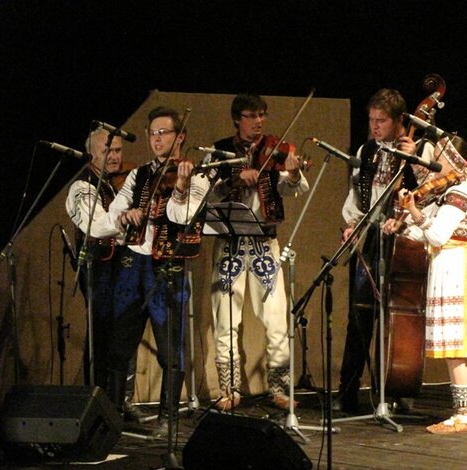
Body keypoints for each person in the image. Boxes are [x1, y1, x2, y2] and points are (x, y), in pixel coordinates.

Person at [93, 106, 205, 438]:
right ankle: (112, 415)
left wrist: (182, 187)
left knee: (171, 348)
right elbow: (113, 212)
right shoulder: (138, 174)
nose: (156, 140)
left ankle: (167, 419)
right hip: (133, 264)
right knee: (119, 343)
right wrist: (124, 216)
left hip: (166, 266)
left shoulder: (196, 175)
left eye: (163, 133)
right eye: (152, 134)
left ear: (179, 137)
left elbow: (180, 215)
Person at [383, 135, 467, 434]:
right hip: (447, 265)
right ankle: (461, 414)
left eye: (441, 155)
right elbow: (426, 234)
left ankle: (465, 416)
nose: (435, 161)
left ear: (456, 161)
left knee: (457, 345)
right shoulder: (449, 192)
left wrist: (416, 213)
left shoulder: (458, 192)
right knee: (451, 345)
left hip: (456, 266)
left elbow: (436, 235)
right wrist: (404, 224)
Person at [206, 93, 309, 410]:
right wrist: (237, 176)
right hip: (231, 243)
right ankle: (229, 389)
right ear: (237, 119)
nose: (259, 121)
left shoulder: (276, 150)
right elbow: (207, 190)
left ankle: (278, 387)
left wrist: (292, 173)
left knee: (277, 318)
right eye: (252, 116)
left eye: (262, 115)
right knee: (226, 318)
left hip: (264, 243)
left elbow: (296, 188)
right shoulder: (219, 150)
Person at [334, 88, 431, 413]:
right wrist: (353, 223)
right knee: (360, 315)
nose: (375, 127)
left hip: (405, 238)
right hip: (373, 237)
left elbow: (431, 192)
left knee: (398, 317)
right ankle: (347, 393)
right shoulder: (368, 149)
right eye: (371, 120)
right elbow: (358, 195)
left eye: (382, 121)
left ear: (400, 120)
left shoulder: (421, 149)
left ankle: (396, 391)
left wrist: (415, 160)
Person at [65, 127, 145, 423]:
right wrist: (125, 217)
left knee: (126, 332)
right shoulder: (82, 186)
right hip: (98, 269)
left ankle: (121, 400)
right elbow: (97, 225)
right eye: (107, 151)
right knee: (101, 335)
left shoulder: (120, 184)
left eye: (118, 151)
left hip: (123, 267)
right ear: (91, 154)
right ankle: (97, 402)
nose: (114, 157)